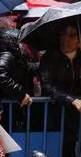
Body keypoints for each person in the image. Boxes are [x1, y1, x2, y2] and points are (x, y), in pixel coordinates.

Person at [40, 22, 81, 157]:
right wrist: (71, 99)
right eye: (63, 34)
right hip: (56, 114)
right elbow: (48, 85)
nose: (66, 39)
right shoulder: (49, 57)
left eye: (72, 35)